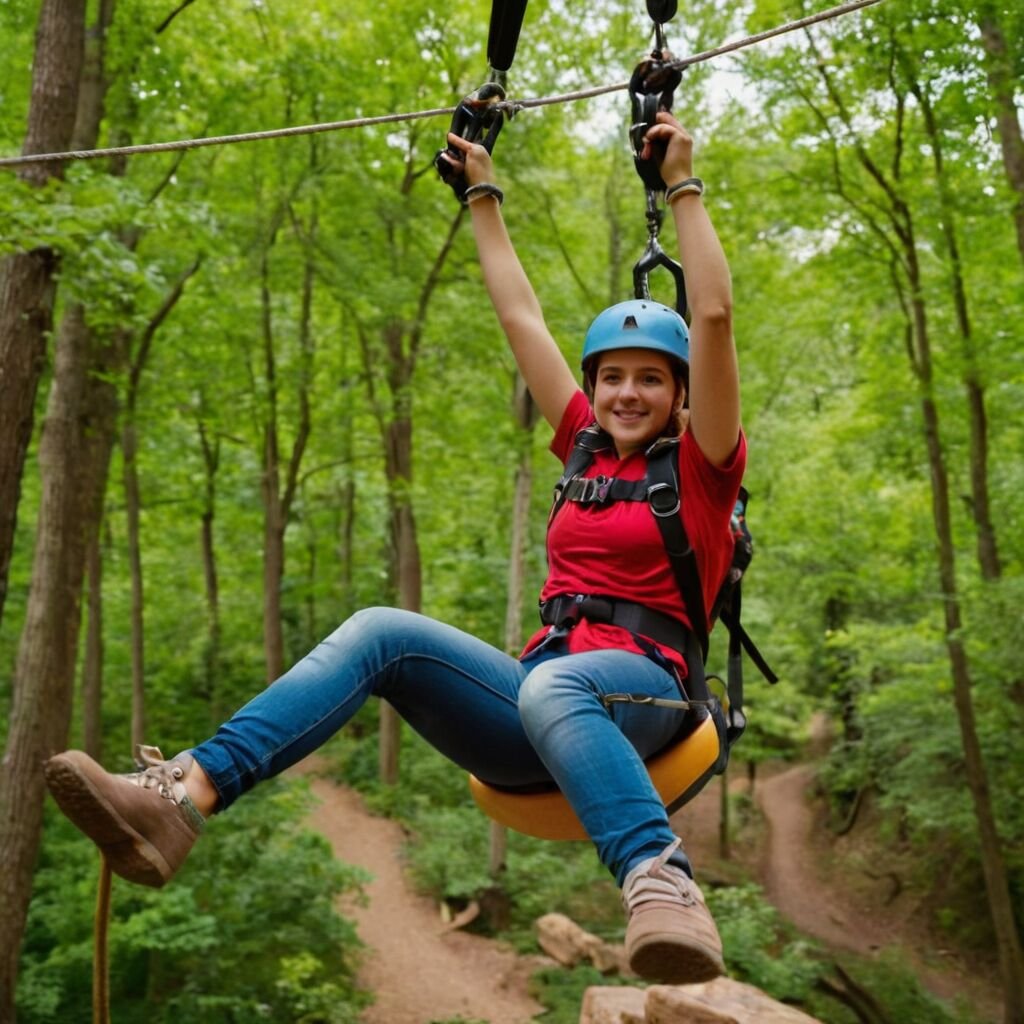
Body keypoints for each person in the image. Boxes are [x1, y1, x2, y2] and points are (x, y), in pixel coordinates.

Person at [44, 110, 743, 986]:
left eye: (650, 379)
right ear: (593, 387)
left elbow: (712, 315)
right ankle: (183, 795)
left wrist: (682, 184)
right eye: (611, 377)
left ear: (680, 394)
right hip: (542, 698)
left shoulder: (704, 467)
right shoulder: (581, 449)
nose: (627, 393)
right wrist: (482, 195)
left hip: (647, 693)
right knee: (382, 630)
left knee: (556, 685)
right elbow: (520, 315)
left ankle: (660, 878)